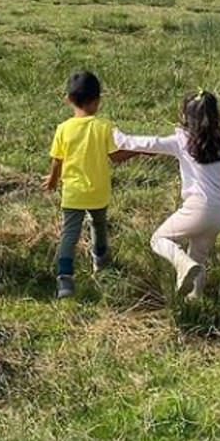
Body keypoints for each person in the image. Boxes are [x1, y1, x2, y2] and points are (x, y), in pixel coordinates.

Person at [115, 90, 220, 300]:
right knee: (199, 258)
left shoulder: (182, 141)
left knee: (159, 239)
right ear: (216, 116)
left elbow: (150, 143)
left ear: (185, 117)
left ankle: (182, 263)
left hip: (198, 208)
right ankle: (195, 302)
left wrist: (119, 138)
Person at [42, 71, 134, 299]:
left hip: (73, 194)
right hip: (98, 192)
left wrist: (52, 181)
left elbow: (57, 161)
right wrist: (138, 150)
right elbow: (116, 156)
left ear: (68, 99)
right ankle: (101, 263)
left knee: (69, 235)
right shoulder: (104, 126)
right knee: (99, 225)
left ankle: (65, 279)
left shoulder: (63, 128)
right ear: (98, 100)